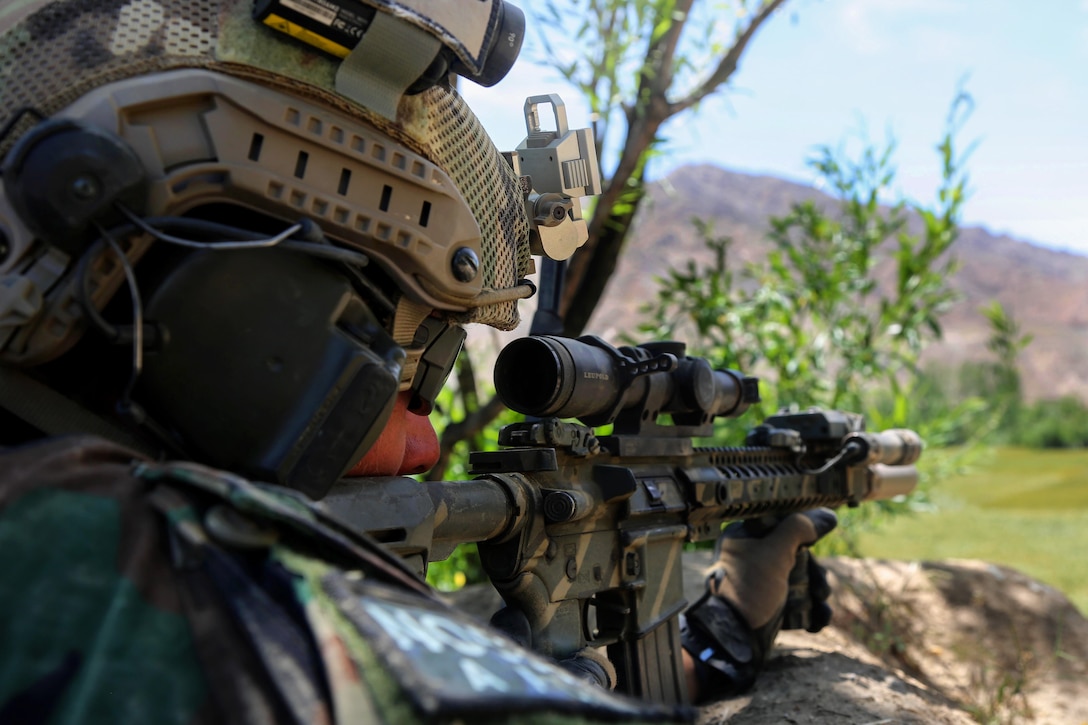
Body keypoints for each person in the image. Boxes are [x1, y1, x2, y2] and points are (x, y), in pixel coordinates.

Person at [0, 0, 835, 722]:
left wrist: (723, 629)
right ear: (225, 312)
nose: (427, 445)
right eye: (388, 362)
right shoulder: (100, 569)